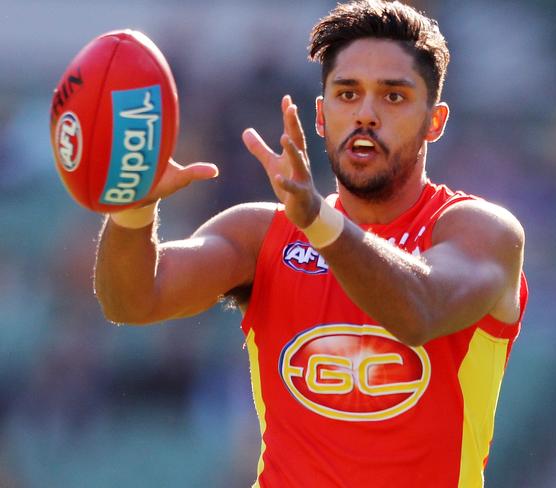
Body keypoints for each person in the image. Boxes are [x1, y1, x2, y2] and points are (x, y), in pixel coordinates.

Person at [94, 1, 527, 486]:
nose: (366, 114)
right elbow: (131, 299)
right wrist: (132, 204)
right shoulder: (263, 234)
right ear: (321, 115)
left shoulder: (481, 232)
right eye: (347, 94)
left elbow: (418, 312)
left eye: (394, 97)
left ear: (435, 120)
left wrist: (320, 222)